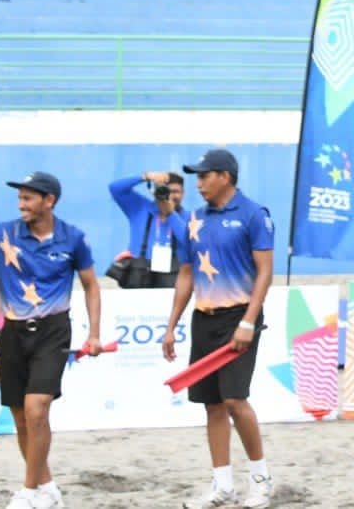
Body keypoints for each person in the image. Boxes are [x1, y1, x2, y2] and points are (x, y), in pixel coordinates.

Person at [0, 172, 102, 509]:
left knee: (37, 410)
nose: (21, 205)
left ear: (49, 201)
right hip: (13, 331)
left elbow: (91, 284)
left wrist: (94, 333)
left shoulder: (73, 238)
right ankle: (46, 485)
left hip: (53, 330)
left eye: (28, 198)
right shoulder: (2, 233)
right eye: (19, 198)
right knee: (21, 417)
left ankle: (29, 491)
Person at [163, 148, 276, 509]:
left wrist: (247, 321)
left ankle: (260, 478)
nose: (198, 184)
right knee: (211, 403)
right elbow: (186, 274)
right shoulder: (193, 220)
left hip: (239, 316)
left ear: (224, 176)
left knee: (234, 399)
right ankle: (222, 485)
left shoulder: (253, 214)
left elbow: (265, 272)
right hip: (204, 317)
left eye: (204, 176)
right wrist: (171, 326)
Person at [107, 170, 190, 288]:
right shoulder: (140, 207)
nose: (170, 196)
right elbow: (115, 188)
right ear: (155, 192)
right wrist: (145, 177)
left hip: (172, 275)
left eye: (176, 192)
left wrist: (170, 213)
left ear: (183, 193)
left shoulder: (189, 218)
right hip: (139, 273)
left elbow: (188, 240)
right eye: (166, 191)